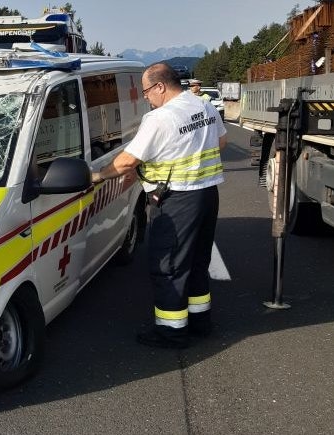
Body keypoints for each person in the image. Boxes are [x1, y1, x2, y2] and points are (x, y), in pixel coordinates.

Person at [91, 63, 227, 349]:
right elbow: (222, 141)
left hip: (177, 200)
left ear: (160, 86)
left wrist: (98, 175)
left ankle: (171, 332)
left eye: (146, 92)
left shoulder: (160, 117)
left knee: (169, 267)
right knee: (197, 262)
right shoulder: (203, 106)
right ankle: (200, 323)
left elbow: (128, 161)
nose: (146, 98)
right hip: (207, 195)